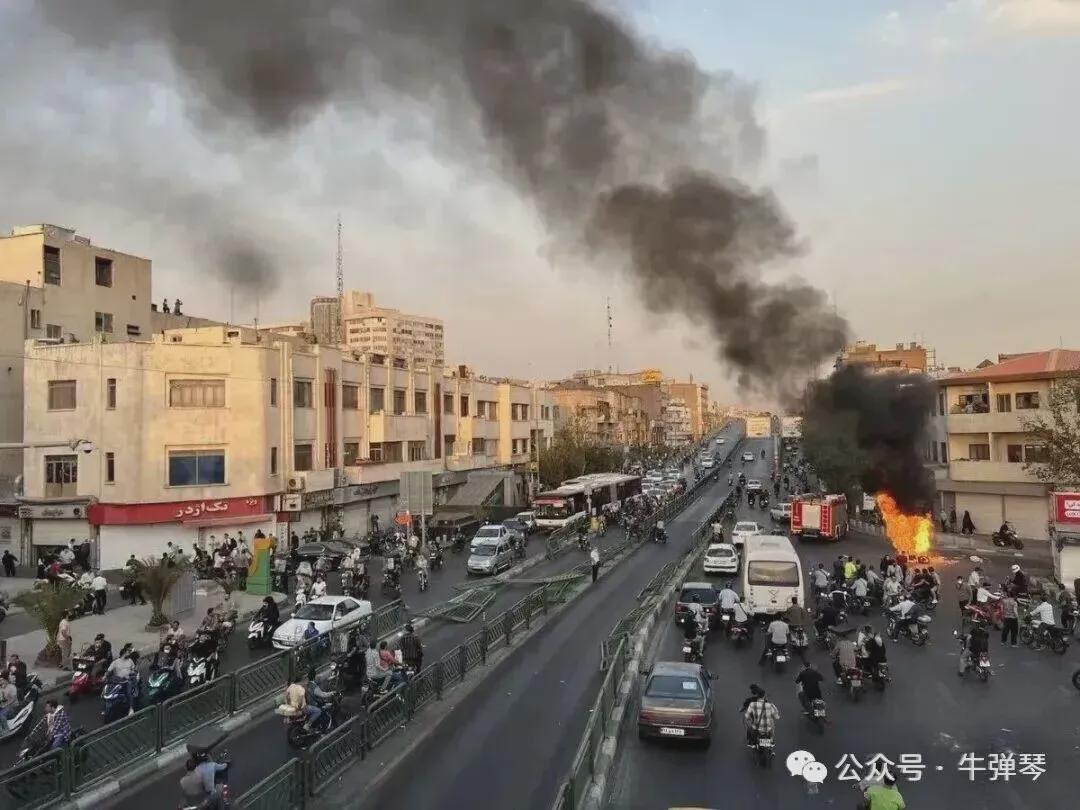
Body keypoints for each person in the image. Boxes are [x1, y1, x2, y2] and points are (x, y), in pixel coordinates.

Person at [105, 647, 138, 716]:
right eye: (127, 652)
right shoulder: (115, 662)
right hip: (117, 680)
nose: (129, 654)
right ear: (123, 653)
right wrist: (105, 676)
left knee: (129, 693)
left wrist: (132, 673)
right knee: (107, 690)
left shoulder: (130, 661)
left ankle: (131, 708)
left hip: (127, 680)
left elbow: (134, 669)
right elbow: (109, 671)